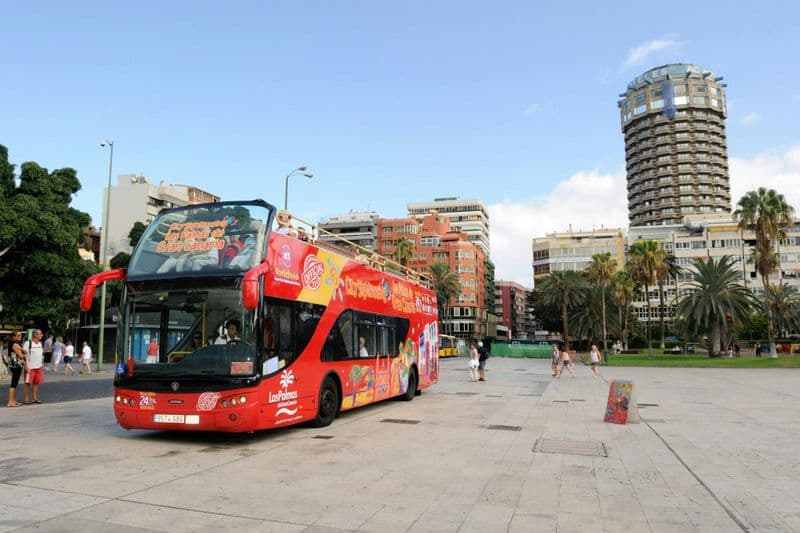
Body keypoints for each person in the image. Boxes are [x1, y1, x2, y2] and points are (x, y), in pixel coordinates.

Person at [3, 330, 26, 407]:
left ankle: (13, 400)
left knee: (14, 383)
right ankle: (10, 402)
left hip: (15, 365)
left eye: (20, 335)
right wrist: (23, 355)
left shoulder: (13, 343)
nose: (20, 336)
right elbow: (22, 354)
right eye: (18, 335)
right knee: (13, 384)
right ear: (13, 336)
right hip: (16, 365)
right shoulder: (15, 344)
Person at [23, 329, 45, 403]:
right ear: (35, 335)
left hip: (38, 367)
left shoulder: (40, 343)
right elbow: (23, 356)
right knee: (27, 383)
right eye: (40, 333)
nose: (42, 335)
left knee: (36, 383)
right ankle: (26, 399)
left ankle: (35, 398)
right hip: (30, 367)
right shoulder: (28, 343)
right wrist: (26, 366)